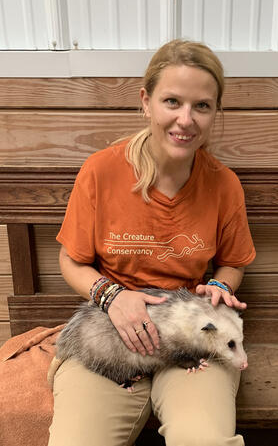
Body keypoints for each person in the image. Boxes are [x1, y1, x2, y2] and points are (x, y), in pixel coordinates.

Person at [48, 39, 256, 446]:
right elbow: (70, 260)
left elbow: (233, 263)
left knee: (203, 440)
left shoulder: (223, 184)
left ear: (215, 112)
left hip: (194, 340)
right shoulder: (102, 171)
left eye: (202, 106)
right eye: (172, 101)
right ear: (146, 102)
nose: (186, 120)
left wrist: (219, 286)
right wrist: (112, 296)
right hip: (112, 336)